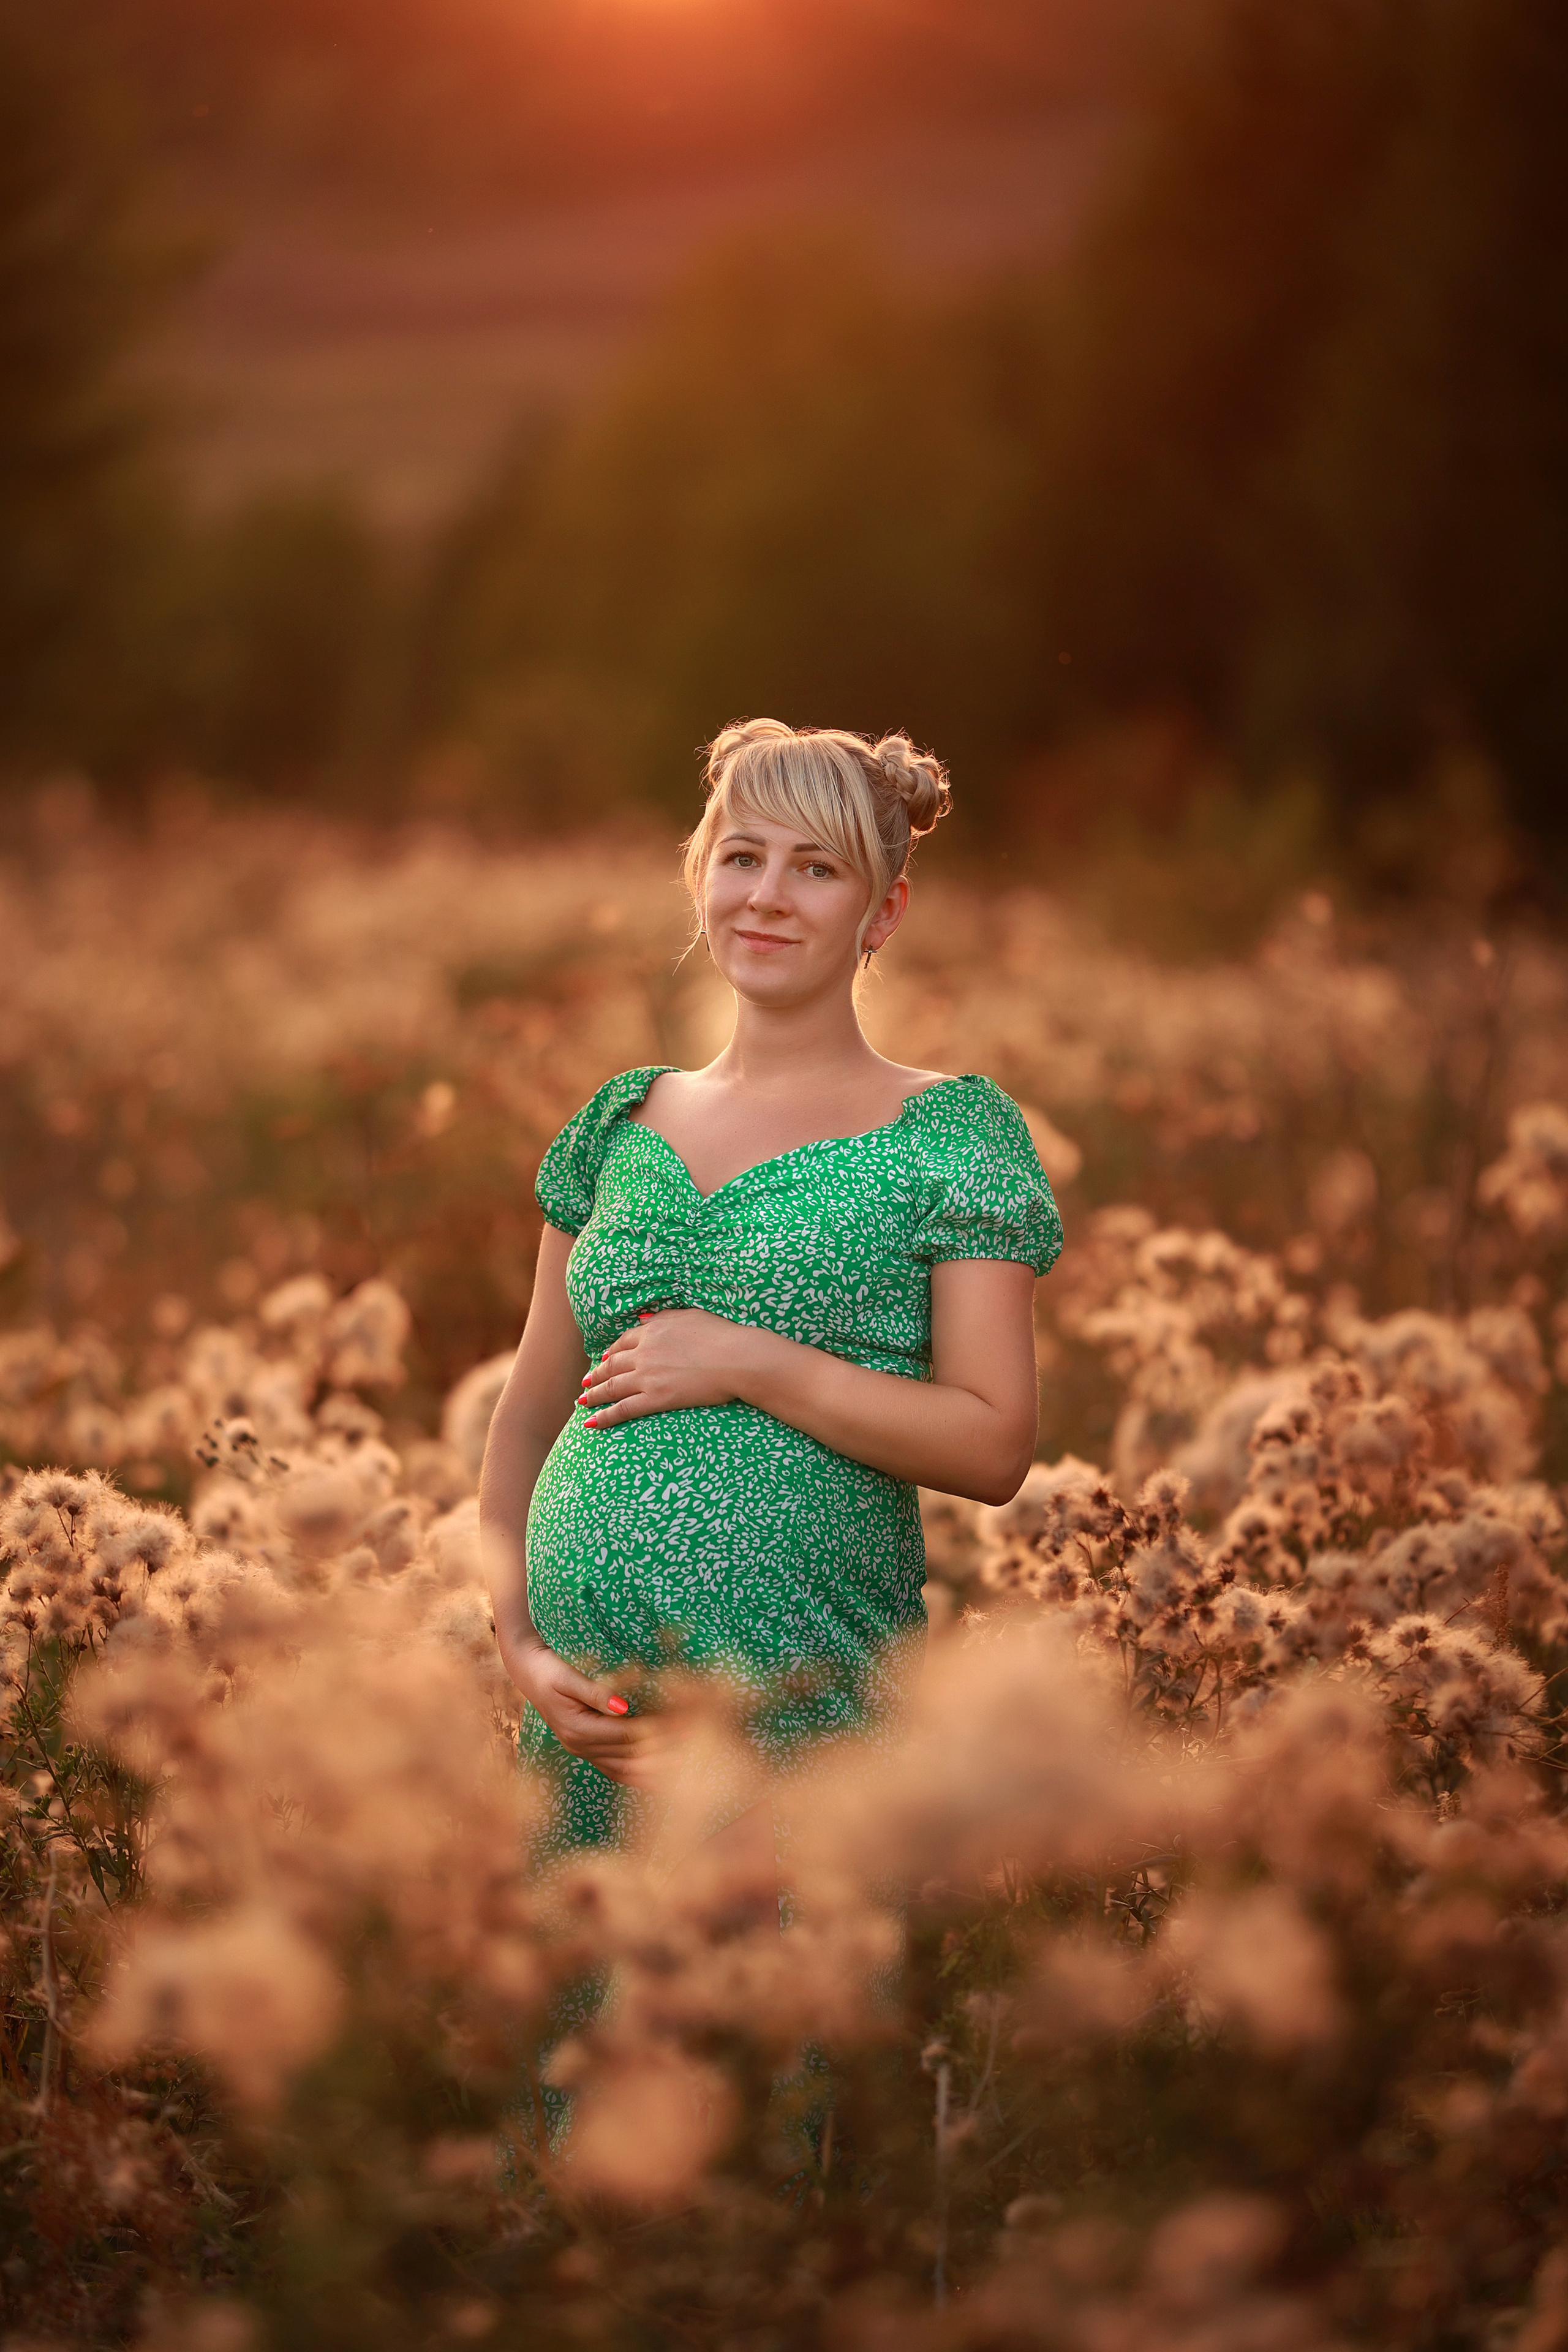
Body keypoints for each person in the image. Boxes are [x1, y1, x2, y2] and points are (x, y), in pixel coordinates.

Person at [479, 718, 1062, 1871]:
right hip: (591, 1727)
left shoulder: (948, 1134)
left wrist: (751, 1361)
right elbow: (526, 1412)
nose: (769, 898)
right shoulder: (620, 1122)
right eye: (742, 856)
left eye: (818, 868)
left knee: (779, 2021)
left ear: (880, 914)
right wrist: (518, 1645)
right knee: (598, 2038)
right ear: (702, 879)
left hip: (801, 1709)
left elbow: (995, 1446)